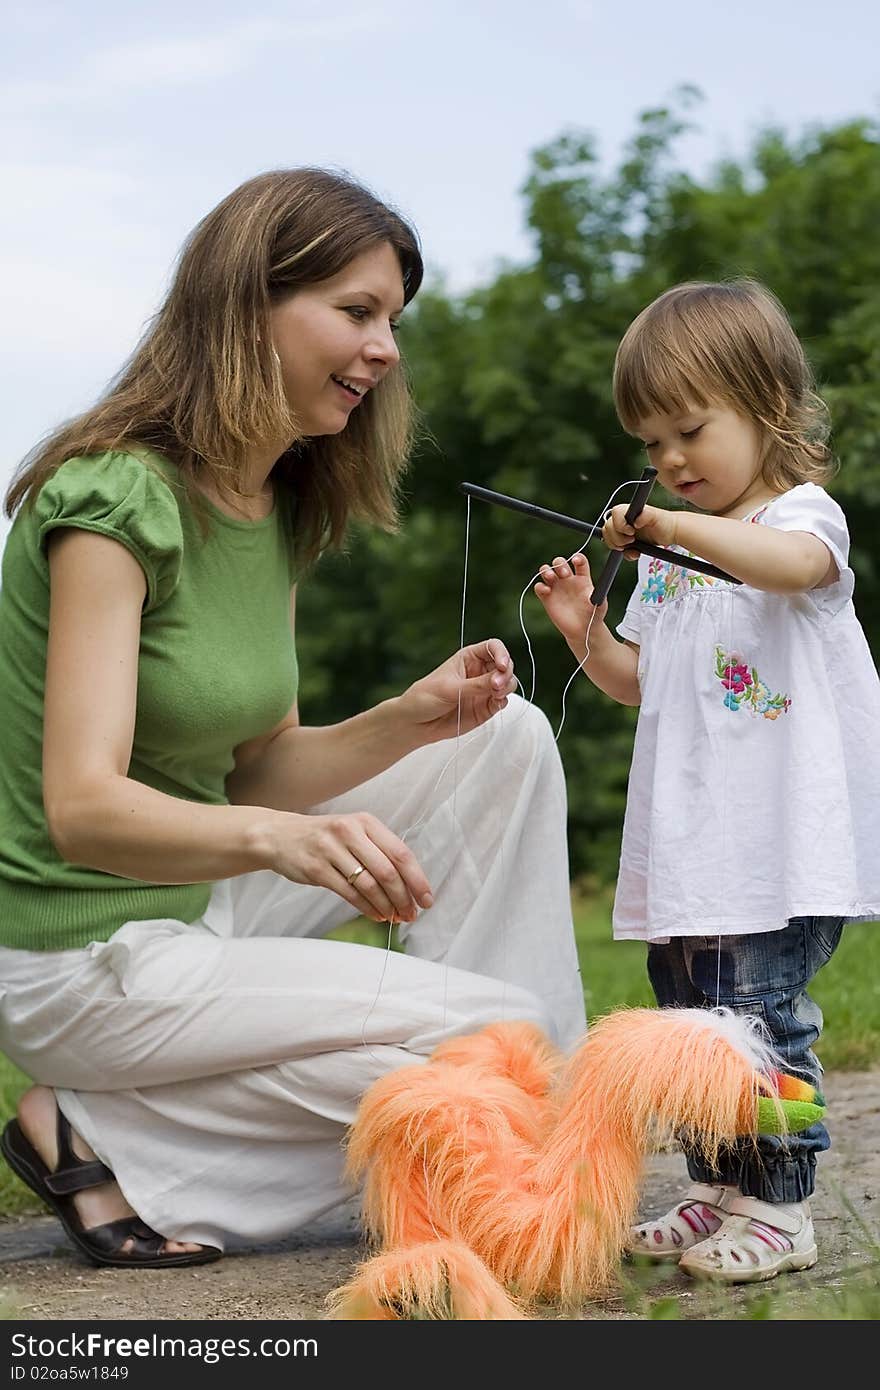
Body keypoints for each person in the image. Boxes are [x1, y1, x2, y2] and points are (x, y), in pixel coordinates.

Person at [0, 168, 586, 1270]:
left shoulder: (272, 504)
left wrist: (410, 719)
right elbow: (81, 808)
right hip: (85, 957)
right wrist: (288, 842)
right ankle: (115, 1137)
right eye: (356, 312)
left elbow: (260, 767)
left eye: (392, 321)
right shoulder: (113, 500)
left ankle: (499, 1133)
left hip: (196, 913)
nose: (386, 349)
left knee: (502, 738)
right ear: (245, 306)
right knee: (506, 1043)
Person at [534, 278, 880, 1284]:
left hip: (775, 853)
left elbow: (785, 568)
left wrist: (674, 531)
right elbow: (640, 684)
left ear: (766, 403)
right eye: (649, 448)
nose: (668, 465)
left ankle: (784, 1202)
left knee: (763, 1020)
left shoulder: (798, 519)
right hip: (689, 850)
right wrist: (582, 629)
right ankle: (719, 1187)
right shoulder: (670, 561)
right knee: (688, 1027)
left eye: (688, 431)